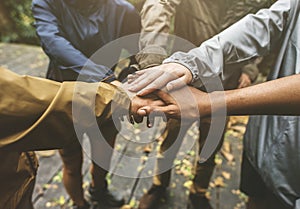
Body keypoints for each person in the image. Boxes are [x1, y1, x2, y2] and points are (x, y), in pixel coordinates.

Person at [129, 0, 300, 208]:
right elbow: (160, 4)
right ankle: (159, 184)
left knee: (210, 145)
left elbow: (268, 32)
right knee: (171, 141)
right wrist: (154, 65)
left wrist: (249, 71)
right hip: (178, 87)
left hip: (225, 87)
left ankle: (199, 191)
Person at [32, 0, 141, 208]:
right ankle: (79, 204)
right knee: (71, 163)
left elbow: (137, 49)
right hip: (65, 97)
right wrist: (105, 77)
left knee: (103, 155)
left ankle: (99, 191)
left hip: (107, 97)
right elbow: (53, 42)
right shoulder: (46, 3)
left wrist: (131, 78)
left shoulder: (122, 10)